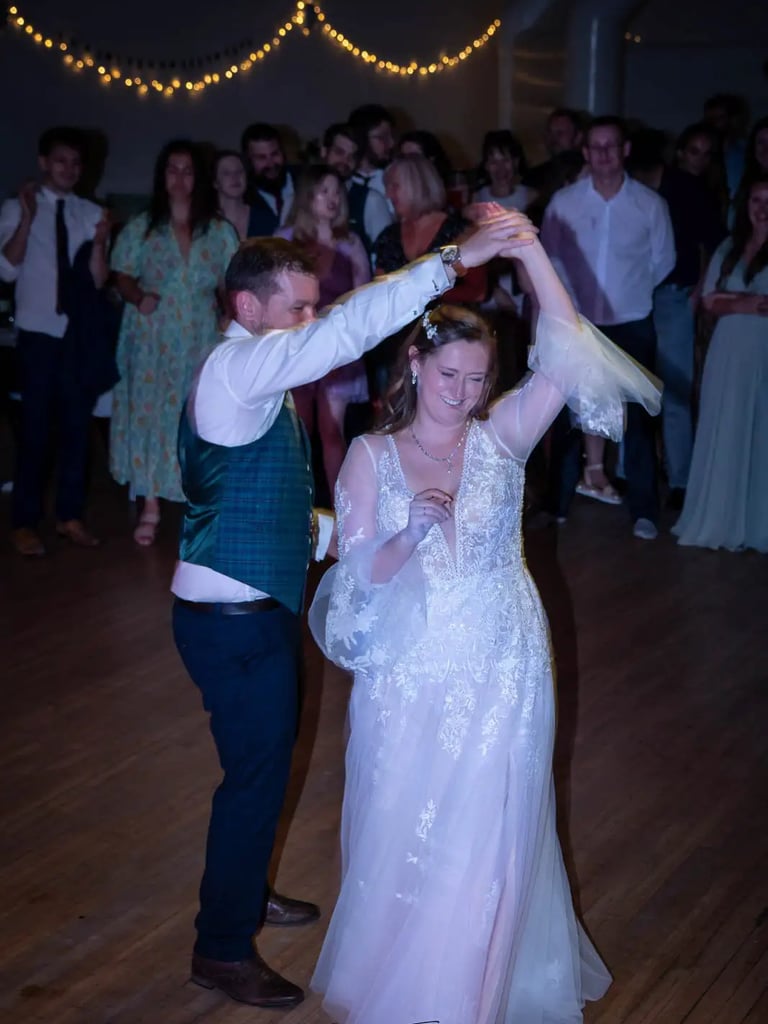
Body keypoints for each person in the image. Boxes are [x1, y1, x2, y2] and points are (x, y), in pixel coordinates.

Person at [171, 212, 534, 1010]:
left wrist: (362, 529)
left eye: (312, 305)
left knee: (260, 774)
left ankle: (242, 890)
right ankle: (221, 948)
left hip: (245, 613)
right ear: (246, 308)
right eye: (297, 308)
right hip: (231, 625)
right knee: (254, 782)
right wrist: (451, 261)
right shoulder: (240, 372)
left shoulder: (249, 384)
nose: (312, 321)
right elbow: (345, 334)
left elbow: (266, 511)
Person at [308, 217, 661, 1024]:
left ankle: (474, 1000)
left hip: (505, 658)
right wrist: (407, 533)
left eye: (478, 379)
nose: (464, 394)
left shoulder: (504, 437)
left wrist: (529, 250)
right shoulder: (371, 456)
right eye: (450, 377)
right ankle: (405, 985)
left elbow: (569, 350)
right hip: (413, 664)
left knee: (494, 839)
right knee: (408, 823)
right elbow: (357, 578)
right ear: (417, 363)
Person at [541, 116, 675, 538]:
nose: (602, 154)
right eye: (595, 147)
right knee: (565, 417)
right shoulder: (564, 202)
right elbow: (550, 258)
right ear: (585, 152)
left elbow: (662, 261)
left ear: (625, 150)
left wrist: (625, 297)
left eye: (611, 146)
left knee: (636, 420)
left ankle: (645, 512)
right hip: (577, 323)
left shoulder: (650, 205)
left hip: (631, 323)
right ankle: (556, 505)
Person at [110, 139, 238, 545]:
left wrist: (227, 312)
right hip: (153, 333)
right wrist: (136, 296)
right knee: (152, 415)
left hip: (200, 332)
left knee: (197, 417)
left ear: (198, 177)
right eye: (172, 169)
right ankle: (149, 503)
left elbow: (228, 282)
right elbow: (122, 274)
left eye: (187, 170)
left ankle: (198, 503)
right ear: (162, 176)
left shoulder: (218, 230)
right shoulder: (142, 225)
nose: (180, 177)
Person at [0, 126, 108, 556]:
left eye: (76, 163)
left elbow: (98, 280)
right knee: (35, 431)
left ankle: (69, 516)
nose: (69, 169)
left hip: (76, 336)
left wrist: (101, 241)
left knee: (77, 430)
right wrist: (27, 218)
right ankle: (24, 522)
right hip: (38, 334)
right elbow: (6, 270)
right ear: (44, 162)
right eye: (61, 160)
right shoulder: (15, 207)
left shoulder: (89, 212)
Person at [673, 176, 768, 552]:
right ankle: (719, 517)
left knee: (759, 430)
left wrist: (734, 300)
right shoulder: (729, 247)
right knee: (724, 424)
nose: (762, 208)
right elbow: (709, 300)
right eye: (757, 200)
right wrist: (747, 302)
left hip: (761, 352)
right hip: (726, 351)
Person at [276, 166, 371, 494]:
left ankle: (344, 517)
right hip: (297, 347)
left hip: (337, 351)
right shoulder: (286, 240)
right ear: (306, 196)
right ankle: (298, 510)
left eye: (336, 191)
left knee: (332, 433)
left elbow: (364, 302)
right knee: (298, 433)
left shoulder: (351, 243)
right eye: (323, 190)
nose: (332, 198)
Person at [321, 122, 393, 257]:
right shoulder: (297, 197)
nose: (345, 161)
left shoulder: (371, 200)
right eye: (339, 152)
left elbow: (387, 255)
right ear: (324, 151)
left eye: (352, 156)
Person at [241, 123, 295, 236]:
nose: (270, 164)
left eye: (275, 154)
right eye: (261, 157)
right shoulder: (243, 198)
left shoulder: (307, 182)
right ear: (248, 161)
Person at [213, 149, 251, 240]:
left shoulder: (264, 217)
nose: (235, 177)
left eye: (239, 172)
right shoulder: (206, 224)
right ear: (215, 182)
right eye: (226, 173)